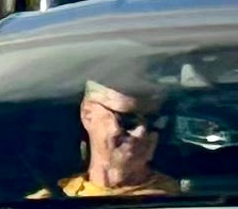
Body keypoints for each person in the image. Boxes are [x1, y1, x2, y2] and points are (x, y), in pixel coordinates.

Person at [39, 79, 181, 200]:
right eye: (127, 119)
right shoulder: (42, 207)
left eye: (153, 121)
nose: (141, 132)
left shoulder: (184, 200)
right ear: (88, 115)